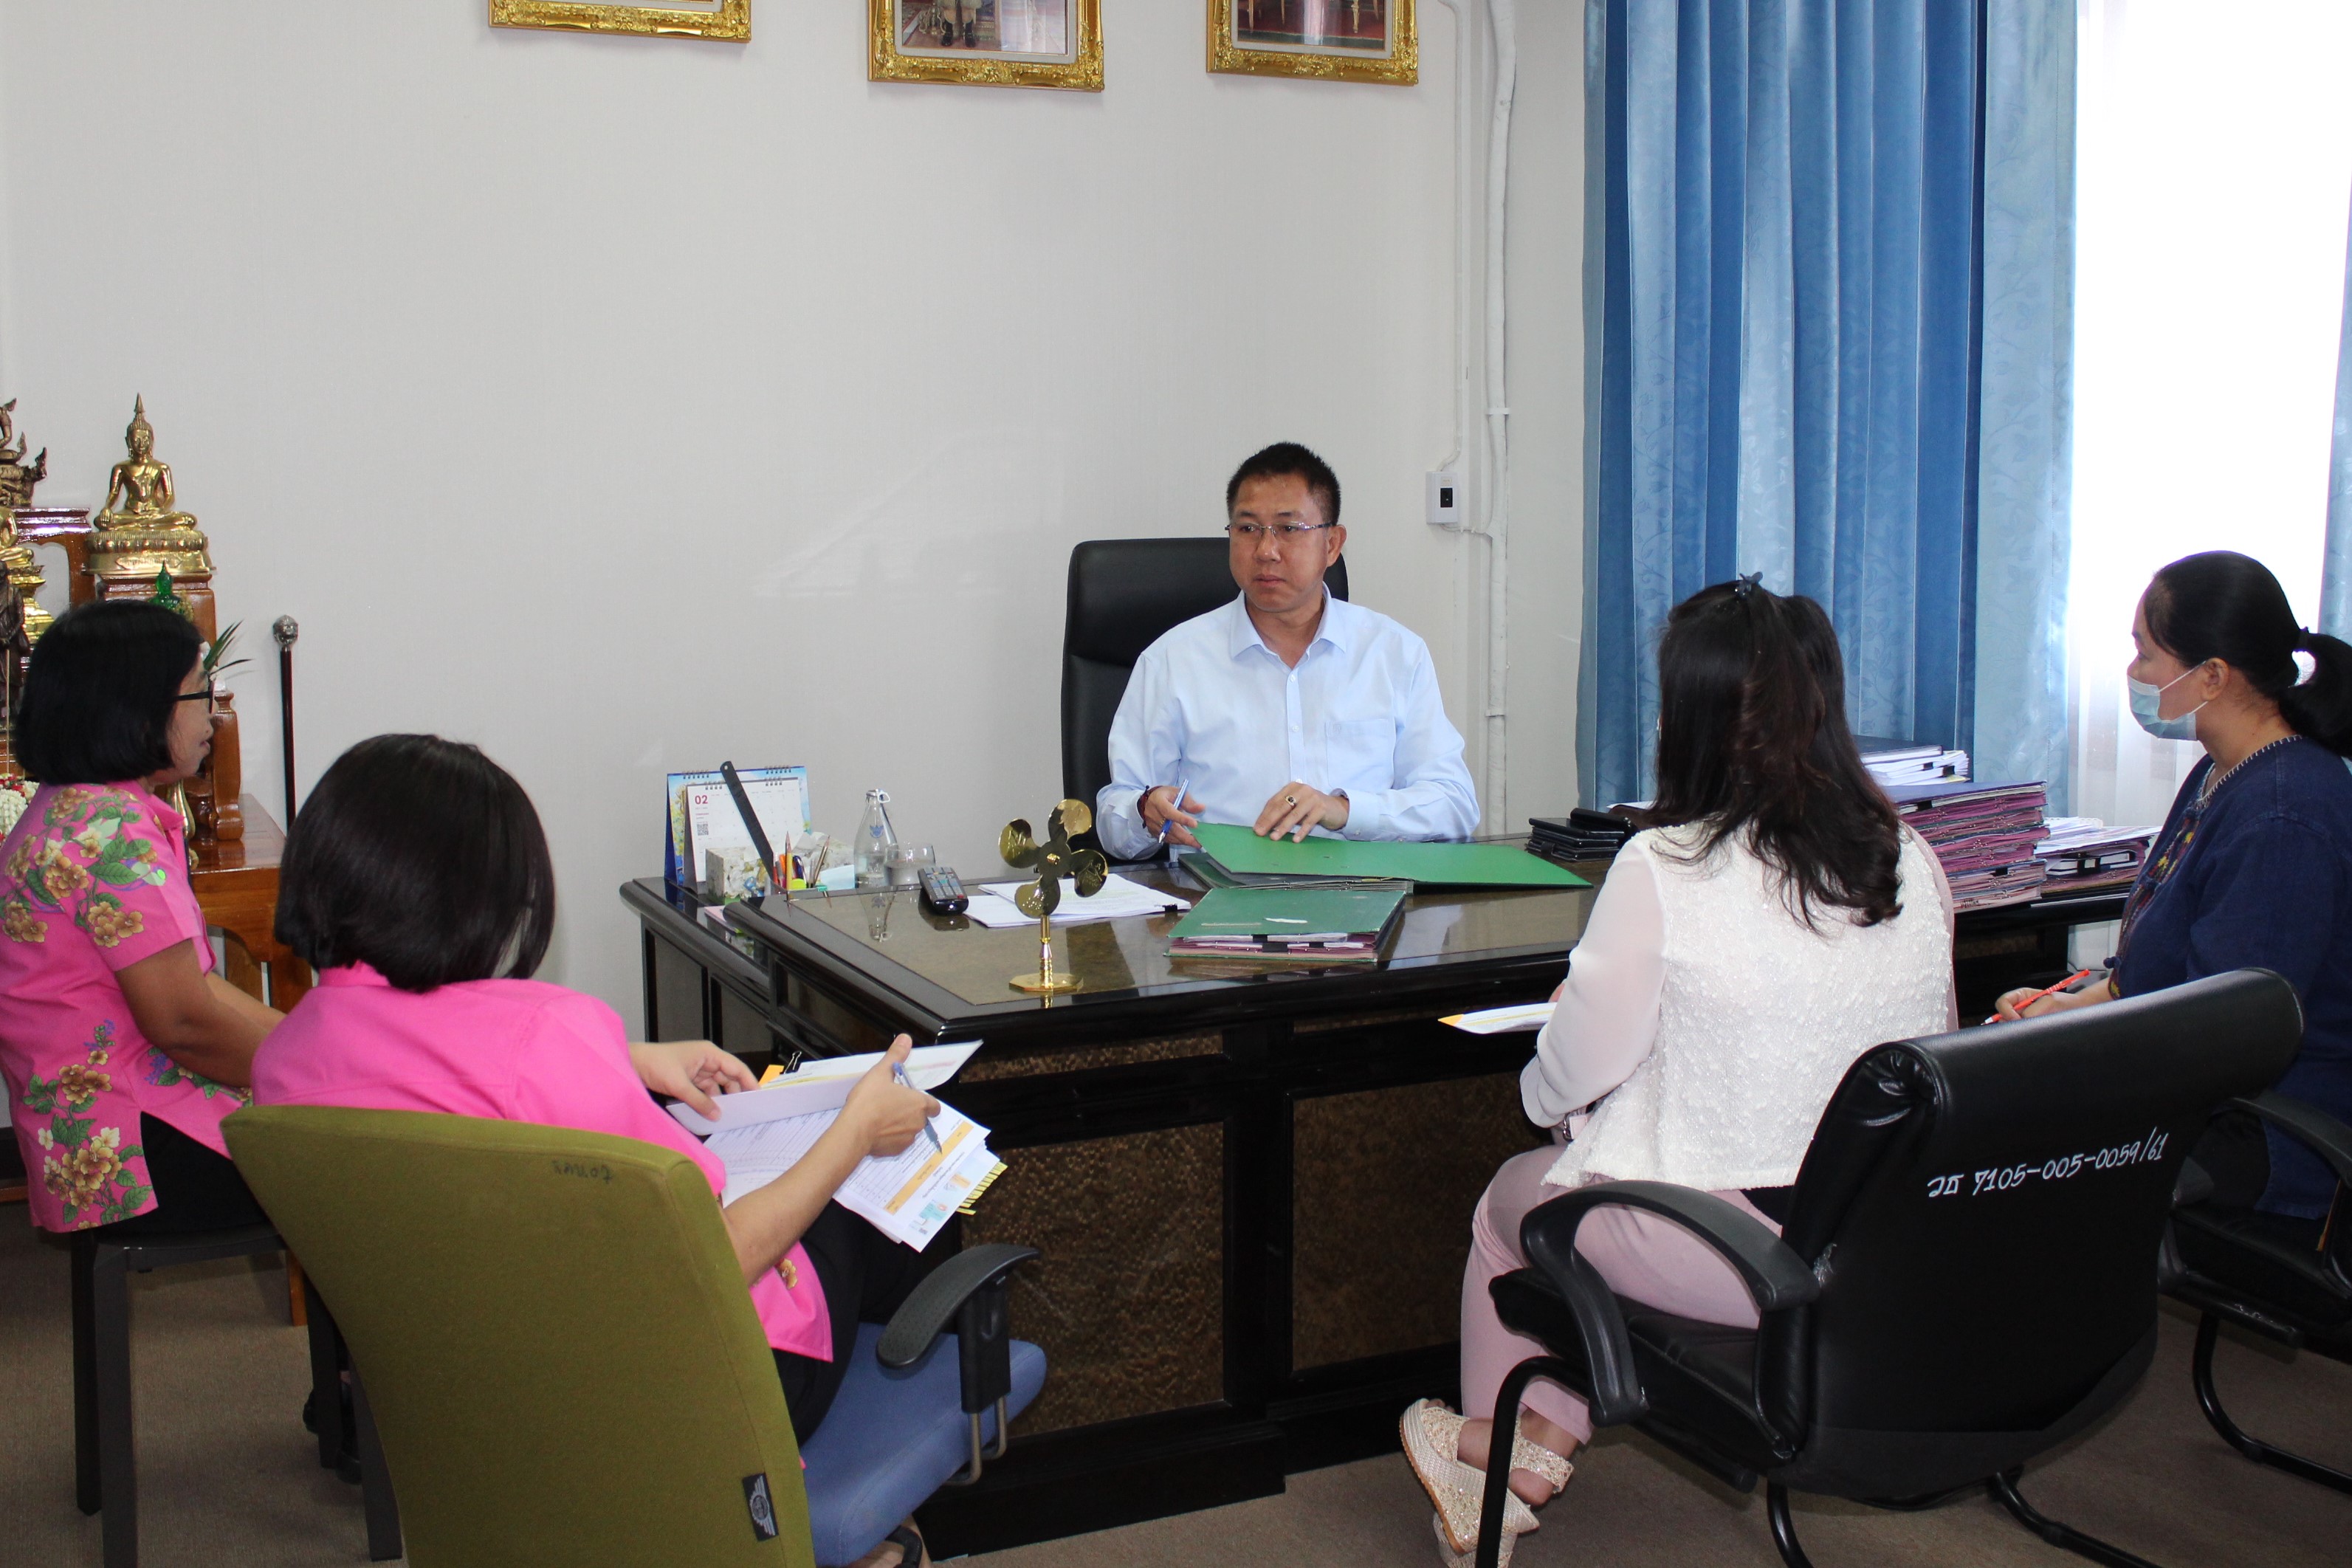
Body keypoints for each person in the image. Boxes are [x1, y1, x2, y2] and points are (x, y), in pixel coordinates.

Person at [1398, 578, 1956, 1567]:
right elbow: (1926, 1059)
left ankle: (1500, 1467)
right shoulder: (1910, 854)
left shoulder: (1668, 863)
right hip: (1886, 1250)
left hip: (1745, 1260)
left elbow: (1574, 1071)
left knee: (1515, 1203)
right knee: (1594, 1186)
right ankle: (1543, 1435)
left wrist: (1545, 1096)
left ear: (1687, 720)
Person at [250, 737, 948, 1496]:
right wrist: (854, 1133)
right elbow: (708, 1260)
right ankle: (895, 1489)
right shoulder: (547, 1034)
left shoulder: (285, 1059)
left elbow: (437, 1068)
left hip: (466, 1399)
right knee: (873, 1196)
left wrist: (628, 1060)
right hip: (696, 1403)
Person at [1994, 551, 2352, 1231]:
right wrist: (2064, 1005)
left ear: (2212, 675)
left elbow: (2229, 1033)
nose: (2134, 673)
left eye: (2145, 654)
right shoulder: (2224, 773)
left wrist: (2070, 1040)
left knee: (2007, 1151)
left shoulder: (2284, 815)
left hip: (2269, 1131)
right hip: (2196, 1085)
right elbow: (2161, 968)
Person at [0, 600, 281, 1235]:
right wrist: (318, 1071)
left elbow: (199, 990)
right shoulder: (109, 834)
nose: (213, 715)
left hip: (98, 1132)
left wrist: (312, 1045)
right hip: (131, 1146)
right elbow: (183, 1023)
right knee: (377, 1165)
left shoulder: (75, 808)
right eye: (199, 693)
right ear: (139, 709)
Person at [1093, 441, 1479, 861]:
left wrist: (1346, 810)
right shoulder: (1171, 661)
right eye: (1248, 529)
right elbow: (1115, 824)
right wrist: (1143, 810)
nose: (1266, 551)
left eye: (1289, 529)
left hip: (1362, 891)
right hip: (1216, 894)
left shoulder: (1394, 653)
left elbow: (1455, 805)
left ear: (1332, 544)